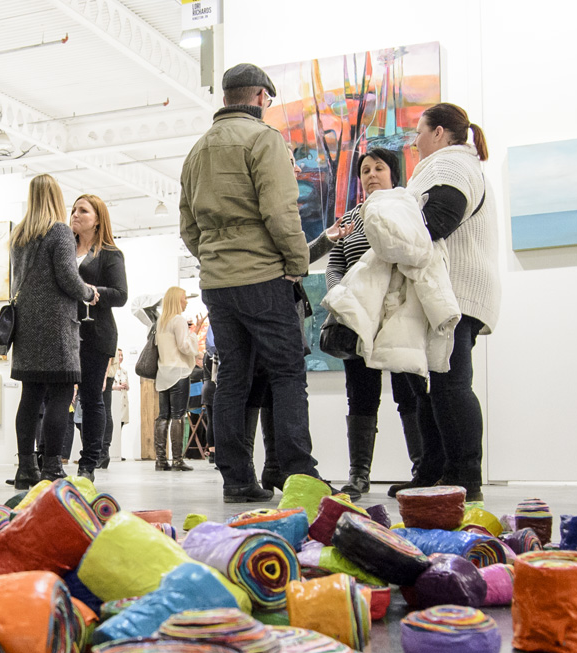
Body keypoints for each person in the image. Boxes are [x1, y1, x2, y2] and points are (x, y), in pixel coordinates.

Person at [179, 63, 322, 503]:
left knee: (234, 377)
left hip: (217, 283)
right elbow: (280, 211)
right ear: (261, 97)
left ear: (226, 98)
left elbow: (188, 227)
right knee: (287, 372)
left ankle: (237, 480)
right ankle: (299, 475)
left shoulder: (197, 151)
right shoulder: (264, 139)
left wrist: (215, 258)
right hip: (262, 275)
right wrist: (296, 262)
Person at [395, 102, 500, 502]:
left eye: (419, 132)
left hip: (452, 293)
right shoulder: (456, 164)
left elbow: (438, 221)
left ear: (439, 133)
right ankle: (433, 473)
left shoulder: (449, 164)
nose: (415, 141)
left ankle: (464, 478)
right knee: (432, 388)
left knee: (449, 386)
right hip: (449, 293)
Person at [307, 148, 424, 502]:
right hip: (359, 316)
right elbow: (336, 262)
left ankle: (422, 471)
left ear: (393, 174)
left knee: (409, 394)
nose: (371, 175)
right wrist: (338, 293)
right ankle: (358, 477)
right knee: (360, 396)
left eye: (379, 168)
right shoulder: (352, 217)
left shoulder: (406, 208)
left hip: (398, 313)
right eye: (366, 170)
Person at [9, 174, 97, 489]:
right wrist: (88, 292)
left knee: (30, 397)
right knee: (61, 394)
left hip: (26, 327)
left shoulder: (19, 234)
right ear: (57, 197)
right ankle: (51, 467)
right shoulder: (59, 231)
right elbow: (68, 278)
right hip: (56, 326)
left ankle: (25, 469)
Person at [71, 194, 128, 482]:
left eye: (83, 210)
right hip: (66, 333)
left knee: (92, 398)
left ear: (97, 220)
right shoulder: (64, 250)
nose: (75, 214)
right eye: (73, 209)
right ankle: (51, 460)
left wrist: (90, 291)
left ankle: (89, 463)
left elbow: (120, 295)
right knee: (60, 398)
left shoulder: (109, 254)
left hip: (96, 333)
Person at [153, 287, 198, 472]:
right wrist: (193, 334)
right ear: (177, 300)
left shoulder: (160, 322)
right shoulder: (178, 320)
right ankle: (178, 460)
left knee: (163, 416)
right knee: (178, 416)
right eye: (184, 298)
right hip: (179, 373)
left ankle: (160, 460)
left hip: (163, 373)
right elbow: (184, 346)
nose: (186, 301)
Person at [102, 349, 128, 466]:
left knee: (103, 412)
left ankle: (103, 452)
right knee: (105, 412)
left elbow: (109, 357)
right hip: (107, 376)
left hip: (105, 376)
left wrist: (104, 377)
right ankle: (103, 452)